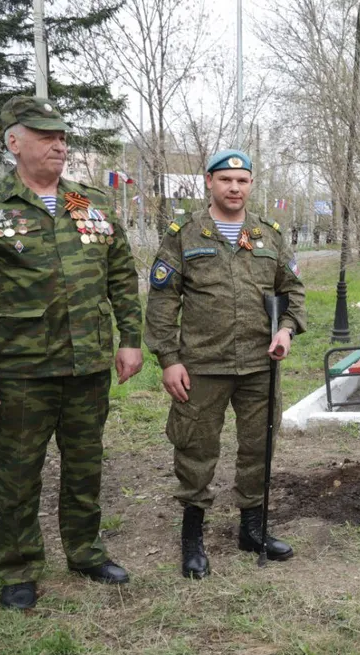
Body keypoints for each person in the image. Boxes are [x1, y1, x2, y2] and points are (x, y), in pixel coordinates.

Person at [0, 96, 143, 610]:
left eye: (62, 136)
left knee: (86, 464)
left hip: (87, 363)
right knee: (19, 472)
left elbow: (120, 279)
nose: (59, 145)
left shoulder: (88, 205)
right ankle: (17, 567)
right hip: (18, 369)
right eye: (45, 137)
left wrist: (130, 340)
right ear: (14, 143)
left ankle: (85, 552)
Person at [145, 149, 306, 579]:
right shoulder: (185, 234)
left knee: (259, 446)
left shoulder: (269, 234)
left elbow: (293, 291)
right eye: (226, 180)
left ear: (251, 184)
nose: (235, 188)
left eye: (243, 181)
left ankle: (251, 529)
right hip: (202, 365)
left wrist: (286, 330)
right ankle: (192, 537)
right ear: (209, 183)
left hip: (259, 363)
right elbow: (163, 300)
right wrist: (168, 359)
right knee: (196, 450)